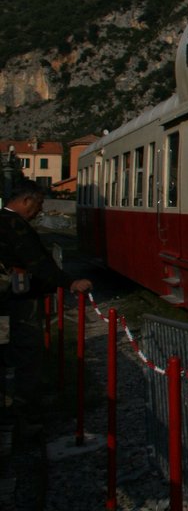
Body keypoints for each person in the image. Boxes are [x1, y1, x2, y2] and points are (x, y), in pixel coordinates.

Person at [1, 179, 92, 428]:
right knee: (28, 351)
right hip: (20, 298)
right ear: (25, 200)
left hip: (9, 297)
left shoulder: (4, 220)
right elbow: (37, 263)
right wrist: (69, 282)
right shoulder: (15, 225)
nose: (40, 210)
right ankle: (26, 410)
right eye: (38, 204)